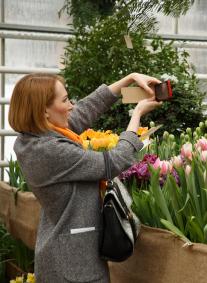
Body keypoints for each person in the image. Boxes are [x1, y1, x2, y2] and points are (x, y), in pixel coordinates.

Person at [9, 73, 162, 282]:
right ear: (44, 111)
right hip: (73, 266)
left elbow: (83, 111)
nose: (72, 105)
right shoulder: (51, 151)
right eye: (64, 100)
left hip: (64, 252)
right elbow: (114, 162)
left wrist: (128, 80)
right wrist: (137, 115)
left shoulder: (35, 137)